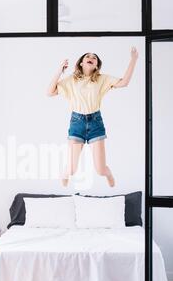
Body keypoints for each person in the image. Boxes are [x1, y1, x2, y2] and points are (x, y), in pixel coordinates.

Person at [47, 48, 138, 187]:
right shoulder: (71, 80)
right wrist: (60, 71)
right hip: (77, 123)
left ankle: (108, 174)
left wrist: (133, 59)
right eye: (87, 56)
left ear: (96, 65)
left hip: (95, 122)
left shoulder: (102, 79)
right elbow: (50, 92)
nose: (91, 57)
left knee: (100, 170)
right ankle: (65, 174)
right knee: (71, 169)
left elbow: (124, 82)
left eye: (94, 57)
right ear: (81, 63)